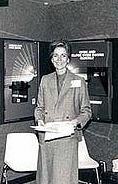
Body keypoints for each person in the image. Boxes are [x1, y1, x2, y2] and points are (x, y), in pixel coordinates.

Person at [34, 40, 92, 184]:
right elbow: (39, 108)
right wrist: (39, 119)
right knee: (45, 180)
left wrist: (76, 122)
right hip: (47, 138)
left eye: (63, 56)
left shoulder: (79, 81)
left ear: (68, 59)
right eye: (55, 56)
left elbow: (86, 111)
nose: (59, 60)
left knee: (63, 179)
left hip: (67, 139)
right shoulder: (45, 80)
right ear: (52, 59)